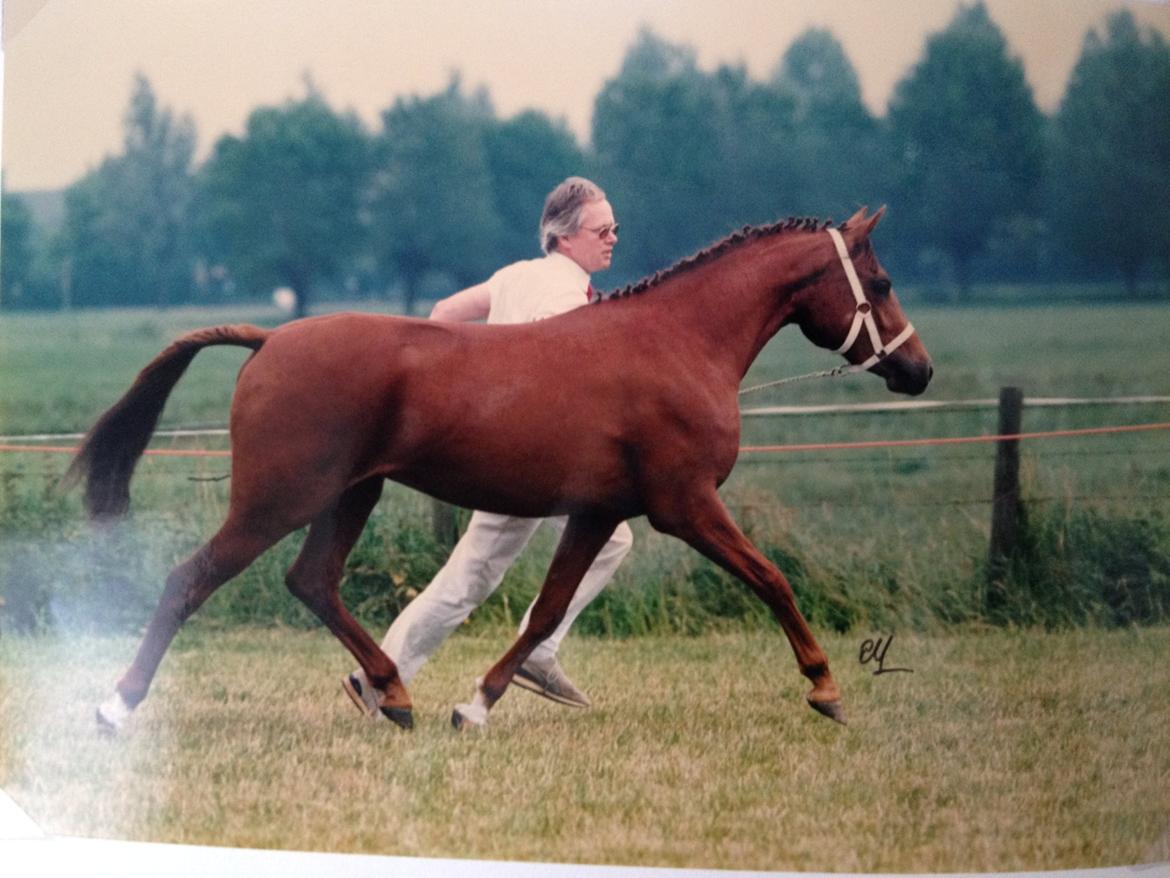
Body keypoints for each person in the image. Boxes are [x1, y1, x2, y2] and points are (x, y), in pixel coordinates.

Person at [344, 176, 633, 716]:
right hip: (543, 465)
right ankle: (537, 650)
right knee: (610, 542)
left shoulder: (517, 275)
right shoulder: (566, 295)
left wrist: (463, 397)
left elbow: (444, 315)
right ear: (565, 239)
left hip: (503, 455)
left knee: (468, 577)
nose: (613, 238)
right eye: (603, 230)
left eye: (614, 228)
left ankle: (375, 678)